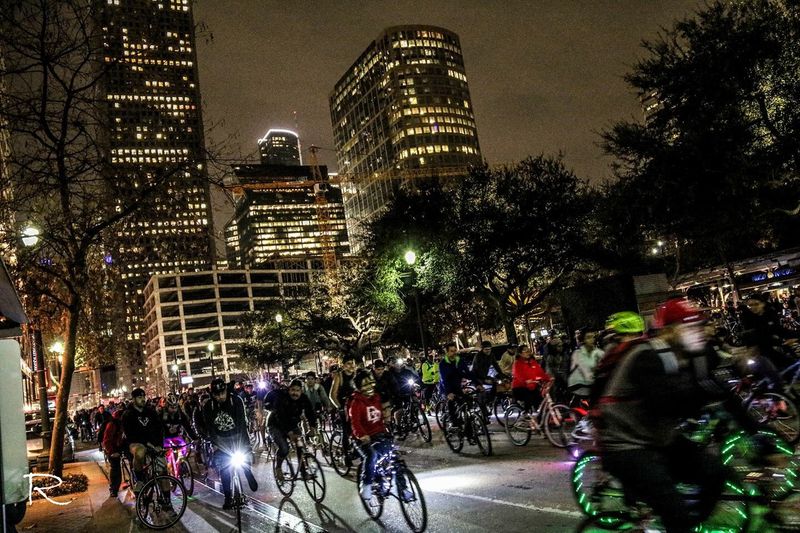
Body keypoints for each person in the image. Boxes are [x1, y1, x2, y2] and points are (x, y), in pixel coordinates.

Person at [597, 299, 730, 533]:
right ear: (668, 332)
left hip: (659, 439)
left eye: (698, 326)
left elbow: (722, 392)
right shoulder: (647, 356)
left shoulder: (694, 356)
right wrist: (703, 400)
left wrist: (760, 438)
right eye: (687, 328)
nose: (697, 333)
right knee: (673, 509)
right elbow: (666, 404)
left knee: (716, 472)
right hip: (625, 445)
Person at [348, 369, 412, 502]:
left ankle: (404, 489)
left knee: (395, 459)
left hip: (379, 434)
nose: (369, 387)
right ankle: (366, 484)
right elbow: (355, 423)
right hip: (362, 439)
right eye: (365, 385)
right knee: (371, 456)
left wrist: (387, 421)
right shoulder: (355, 403)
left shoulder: (376, 398)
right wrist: (362, 435)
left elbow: (381, 415)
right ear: (359, 388)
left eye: (371, 383)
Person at [203, 378, 258, 510]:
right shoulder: (208, 406)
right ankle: (228, 497)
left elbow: (242, 423)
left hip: (237, 437)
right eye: (216, 395)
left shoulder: (236, 401)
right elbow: (210, 427)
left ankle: (247, 472)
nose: (220, 397)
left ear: (226, 391)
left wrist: (246, 445)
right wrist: (214, 443)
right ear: (213, 395)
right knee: (225, 469)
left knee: (244, 458)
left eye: (222, 393)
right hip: (221, 442)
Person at [265, 379, 318, 480]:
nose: (295, 393)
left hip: (292, 424)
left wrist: (312, 427)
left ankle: (303, 472)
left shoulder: (303, 398)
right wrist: (289, 433)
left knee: (300, 446)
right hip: (275, 425)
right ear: (289, 390)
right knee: (284, 449)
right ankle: (278, 468)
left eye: (298, 390)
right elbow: (280, 416)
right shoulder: (282, 399)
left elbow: (310, 412)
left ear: (301, 391)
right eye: (293, 390)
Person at [121, 388, 164, 492]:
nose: (143, 399)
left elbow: (159, 428)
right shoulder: (128, 414)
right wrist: (146, 443)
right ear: (134, 399)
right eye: (140, 397)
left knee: (163, 469)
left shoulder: (151, 411)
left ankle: (166, 501)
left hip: (152, 443)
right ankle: (139, 479)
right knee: (140, 452)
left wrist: (159, 444)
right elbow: (130, 434)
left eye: (143, 397)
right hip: (136, 442)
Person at [329, 355, 358, 466]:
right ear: (343, 365)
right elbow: (332, 395)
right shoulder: (339, 376)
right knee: (346, 432)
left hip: (356, 406)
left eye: (352, 363)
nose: (351, 366)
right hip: (344, 407)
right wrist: (339, 407)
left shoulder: (357, 375)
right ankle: (346, 455)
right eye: (348, 363)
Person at [438, 342, 475, 426]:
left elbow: (468, 373)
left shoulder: (460, 361)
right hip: (446, 387)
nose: (454, 353)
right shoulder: (443, 364)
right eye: (451, 351)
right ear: (447, 352)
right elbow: (444, 379)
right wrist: (448, 393)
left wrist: (477, 383)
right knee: (452, 402)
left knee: (467, 401)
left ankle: (467, 423)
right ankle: (453, 421)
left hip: (457, 386)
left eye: (455, 351)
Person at [511, 345, 551, 412]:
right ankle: (525, 414)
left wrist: (548, 378)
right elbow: (518, 374)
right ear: (520, 353)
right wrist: (526, 381)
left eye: (528, 351)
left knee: (540, 400)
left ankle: (540, 419)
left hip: (532, 387)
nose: (528, 352)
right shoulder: (517, 363)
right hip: (519, 388)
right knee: (529, 398)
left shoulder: (532, 362)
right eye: (525, 351)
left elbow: (540, 372)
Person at [568, 330, 604, 399]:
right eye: (588, 337)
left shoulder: (598, 352)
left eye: (593, 337)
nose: (591, 340)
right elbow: (585, 371)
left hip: (590, 384)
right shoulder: (577, 353)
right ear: (583, 340)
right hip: (578, 384)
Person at [102, 409, 126, 497]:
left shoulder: (122, 424)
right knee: (115, 468)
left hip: (119, 447)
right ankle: (113, 489)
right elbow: (106, 440)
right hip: (112, 449)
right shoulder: (112, 425)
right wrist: (112, 452)